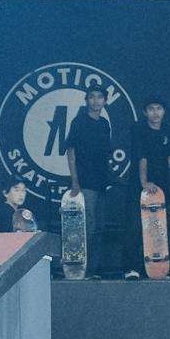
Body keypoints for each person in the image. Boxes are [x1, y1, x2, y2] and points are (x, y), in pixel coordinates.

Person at [122, 96, 170, 279]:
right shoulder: (138, 129)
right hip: (140, 185)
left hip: (162, 186)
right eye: (151, 109)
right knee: (135, 226)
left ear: (164, 111)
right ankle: (131, 268)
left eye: (158, 108)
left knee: (160, 226)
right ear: (145, 112)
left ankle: (159, 268)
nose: (155, 112)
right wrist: (144, 183)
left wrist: (164, 181)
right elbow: (141, 157)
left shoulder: (168, 131)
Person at [65, 84, 112, 277]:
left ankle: (95, 268)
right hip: (85, 182)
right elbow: (71, 152)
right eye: (92, 97)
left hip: (102, 182)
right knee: (89, 226)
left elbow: (106, 154)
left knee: (100, 227)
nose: (95, 101)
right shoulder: (79, 122)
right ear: (86, 101)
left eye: (99, 97)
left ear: (105, 101)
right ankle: (82, 268)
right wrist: (75, 181)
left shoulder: (104, 124)